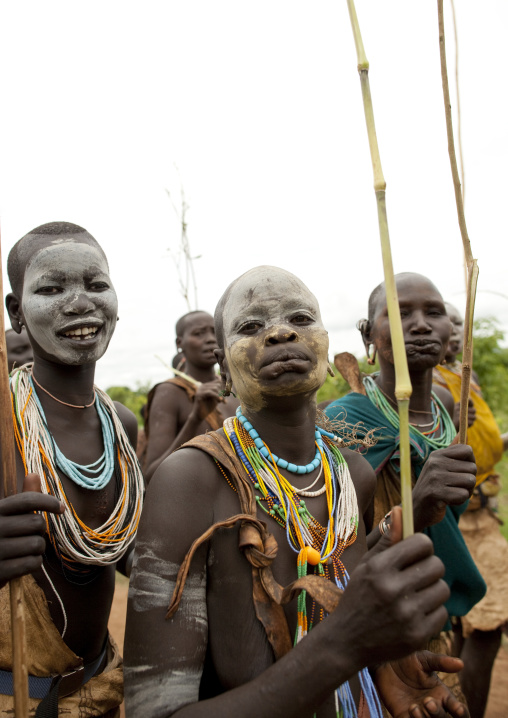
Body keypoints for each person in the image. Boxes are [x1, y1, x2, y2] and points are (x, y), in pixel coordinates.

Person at [124, 266, 473, 718]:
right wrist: (345, 646)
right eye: (251, 327)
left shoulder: (351, 473)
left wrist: (380, 670)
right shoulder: (191, 479)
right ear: (224, 369)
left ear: (328, 349)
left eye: (302, 319)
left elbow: (338, 588)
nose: (281, 332)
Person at [0, 222, 144, 717]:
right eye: (51, 288)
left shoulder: (121, 423)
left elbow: (122, 556)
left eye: (96, 284)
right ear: (16, 311)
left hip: (100, 685)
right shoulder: (1, 427)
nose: (80, 302)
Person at [325, 273, 486, 702]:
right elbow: (337, 545)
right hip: (376, 623)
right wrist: (415, 503)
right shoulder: (344, 419)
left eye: (433, 312)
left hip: (435, 608)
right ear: (368, 333)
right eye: (399, 313)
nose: (419, 324)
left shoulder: (447, 406)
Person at [433, 303, 508, 718]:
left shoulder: (468, 381)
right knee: (485, 627)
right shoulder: (431, 389)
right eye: (452, 324)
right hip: (460, 522)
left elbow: (482, 448)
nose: (457, 332)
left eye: (460, 323)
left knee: (472, 624)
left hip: (484, 517)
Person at [143, 310, 238, 482]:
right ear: (180, 344)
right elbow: (152, 474)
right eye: (198, 333)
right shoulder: (170, 393)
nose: (209, 339)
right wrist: (195, 418)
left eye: (213, 332)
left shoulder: (235, 388)